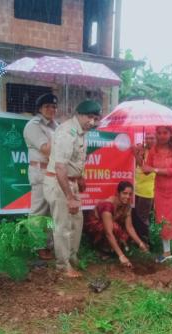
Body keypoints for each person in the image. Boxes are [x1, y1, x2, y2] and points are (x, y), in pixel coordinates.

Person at [43, 99, 101, 278]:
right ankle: (63, 265)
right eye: (89, 117)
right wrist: (69, 196)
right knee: (62, 225)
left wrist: (80, 178)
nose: (92, 122)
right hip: (59, 183)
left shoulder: (80, 132)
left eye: (96, 118)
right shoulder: (67, 131)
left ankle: (72, 257)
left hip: (71, 182)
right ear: (79, 115)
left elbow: (73, 161)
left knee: (77, 221)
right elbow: (60, 167)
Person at [142, 126, 172, 269]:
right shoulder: (153, 150)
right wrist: (138, 155)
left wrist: (154, 169)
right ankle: (166, 253)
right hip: (161, 190)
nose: (162, 136)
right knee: (163, 219)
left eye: (165, 133)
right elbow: (145, 170)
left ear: (170, 134)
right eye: (159, 133)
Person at [23, 93, 59, 261]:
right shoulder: (33, 125)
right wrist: (62, 138)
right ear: (39, 109)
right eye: (47, 107)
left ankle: (49, 244)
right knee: (38, 212)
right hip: (40, 172)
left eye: (53, 107)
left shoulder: (55, 126)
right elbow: (47, 149)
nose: (51, 109)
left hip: (54, 173)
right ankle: (36, 245)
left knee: (52, 212)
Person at [85, 181, 150, 267]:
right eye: (125, 193)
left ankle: (113, 250)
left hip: (111, 226)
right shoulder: (107, 205)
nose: (127, 196)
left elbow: (129, 227)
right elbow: (108, 233)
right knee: (115, 228)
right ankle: (103, 250)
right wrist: (122, 256)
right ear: (118, 193)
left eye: (130, 194)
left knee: (124, 235)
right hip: (94, 228)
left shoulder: (127, 206)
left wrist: (140, 243)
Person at [131, 132, 157, 244]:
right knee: (135, 216)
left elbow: (146, 170)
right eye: (147, 138)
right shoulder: (144, 150)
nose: (149, 140)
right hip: (136, 188)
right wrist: (138, 153)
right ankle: (137, 241)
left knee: (142, 218)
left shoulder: (157, 153)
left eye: (152, 138)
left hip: (147, 190)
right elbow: (138, 165)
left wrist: (136, 154)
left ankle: (145, 243)